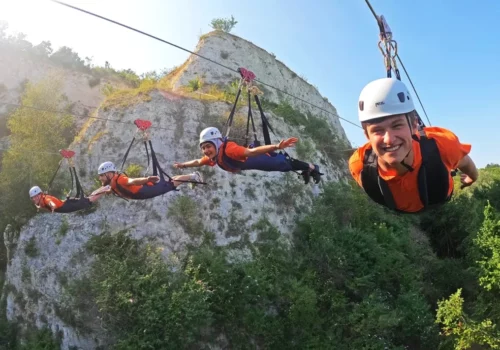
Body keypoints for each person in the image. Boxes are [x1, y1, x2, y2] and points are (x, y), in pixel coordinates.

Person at [348, 77, 478, 213]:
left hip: (435, 195)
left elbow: (466, 163)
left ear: (414, 125)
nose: (389, 139)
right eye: (377, 130)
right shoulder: (360, 166)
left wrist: (471, 178)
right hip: (411, 205)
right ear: (367, 136)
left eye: (397, 125)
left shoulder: (441, 146)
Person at [173, 127, 323, 184]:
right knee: (283, 165)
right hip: (256, 164)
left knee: (283, 163)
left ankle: (312, 167)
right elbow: (198, 161)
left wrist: (276, 146)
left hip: (259, 159)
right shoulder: (214, 156)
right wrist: (183, 165)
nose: (206, 150)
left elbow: (251, 152)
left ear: (217, 143)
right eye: (203, 148)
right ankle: (307, 169)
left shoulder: (229, 149)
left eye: (208, 146)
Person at [97, 161, 203, 200]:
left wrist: (147, 179)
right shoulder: (113, 183)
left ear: (109, 174)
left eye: (102, 175)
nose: (100, 178)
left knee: (170, 184)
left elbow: (132, 181)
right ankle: (192, 176)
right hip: (142, 193)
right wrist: (110, 191)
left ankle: (193, 176)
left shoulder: (120, 179)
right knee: (169, 183)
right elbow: (114, 188)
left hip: (145, 191)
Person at [29, 185, 106, 213]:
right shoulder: (41, 201)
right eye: (33, 197)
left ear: (40, 194)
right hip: (67, 204)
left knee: (90, 199)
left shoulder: (46, 199)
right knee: (89, 198)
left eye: (36, 196)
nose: (35, 198)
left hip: (68, 206)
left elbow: (51, 203)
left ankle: (106, 188)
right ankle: (105, 187)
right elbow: (41, 205)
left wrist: (52, 206)